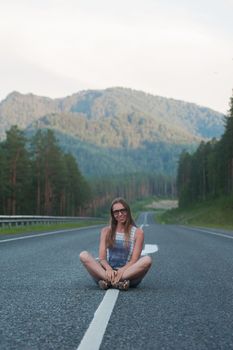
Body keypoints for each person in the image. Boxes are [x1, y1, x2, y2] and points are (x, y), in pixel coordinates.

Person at [79, 197, 152, 291]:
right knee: (83, 255)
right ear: (113, 215)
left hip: (129, 274)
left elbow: (134, 260)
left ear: (128, 211)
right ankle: (117, 282)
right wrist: (109, 269)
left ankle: (109, 282)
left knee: (147, 260)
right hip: (106, 272)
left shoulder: (138, 233)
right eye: (116, 212)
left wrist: (122, 271)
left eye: (123, 210)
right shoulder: (106, 231)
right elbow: (102, 258)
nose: (120, 214)